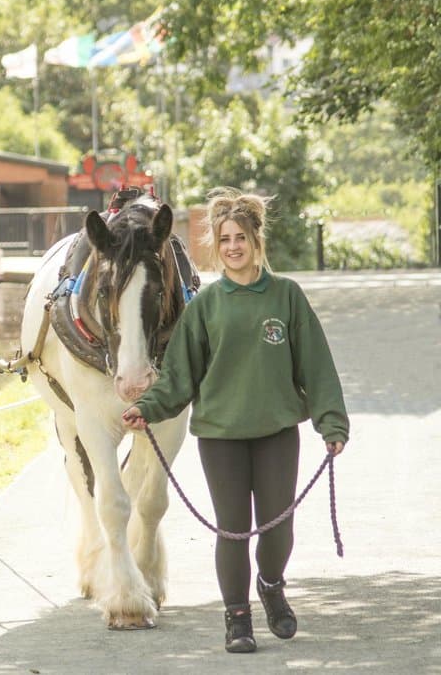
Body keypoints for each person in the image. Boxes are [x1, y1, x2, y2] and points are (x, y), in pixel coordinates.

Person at [120, 188, 348, 654]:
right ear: (217, 246)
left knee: (277, 529)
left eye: (240, 237)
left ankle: (271, 583)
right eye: (224, 239)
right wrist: (147, 408)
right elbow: (179, 376)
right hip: (221, 436)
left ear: (256, 241)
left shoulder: (286, 296)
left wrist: (331, 423)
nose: (232, 247)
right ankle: (237, 620)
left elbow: (316, 365)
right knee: (232, 529)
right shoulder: (206, 306)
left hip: (277, 432)